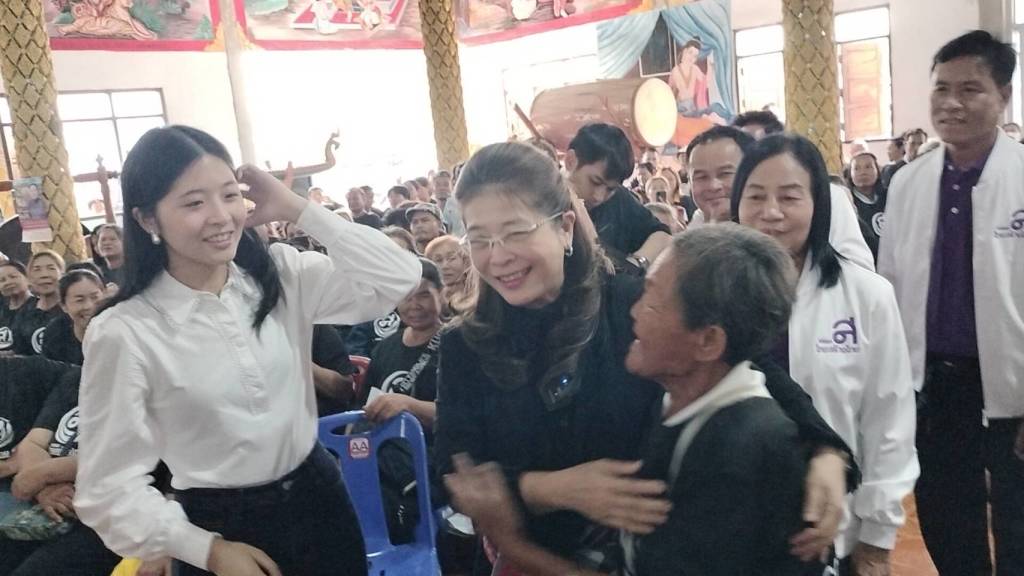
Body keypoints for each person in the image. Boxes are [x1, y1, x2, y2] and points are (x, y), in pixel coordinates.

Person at [435, 141, 856, 574]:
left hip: (655, 550)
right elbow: (453, 473)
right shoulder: (464, 344)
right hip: (532, 557)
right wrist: (549, 488)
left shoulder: (630, 303)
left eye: (516, 232)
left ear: (564, 227)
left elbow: (749, 363)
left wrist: (826, 449)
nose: (497, 256)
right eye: (479, 239)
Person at [73, 125, 420, 576]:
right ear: (147, 220)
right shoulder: (126, 331)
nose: (221, 216)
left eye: (230, 195)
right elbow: (106, 487)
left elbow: (399, 277)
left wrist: (298, 207)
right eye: (194, 203)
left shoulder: (278, 275)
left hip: (320, 497)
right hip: (220, 526)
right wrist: (207, 551)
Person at [734, 134, 919, 576]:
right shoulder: (711, 294)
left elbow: (888, 420)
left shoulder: (866, 296)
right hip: (734, 531)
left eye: (789, 197)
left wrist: (877, 537)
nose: (771, 212)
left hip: (833, 529)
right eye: (755, 196)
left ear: (819, 204)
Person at [878, 30, 1024, 576]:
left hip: (1013, 387)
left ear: (1003, 96)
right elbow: (891, 289)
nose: (951, 103)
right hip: (936, 387)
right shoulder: (909, 183)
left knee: (1018, 523)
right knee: (945, 517)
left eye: (970, 89)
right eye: (941, 88)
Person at [686, 126, 875, 271]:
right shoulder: (695, 233)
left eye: (725, 173)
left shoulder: (827, 199)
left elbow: (859, 276)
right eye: (700, 177)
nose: (713, 186)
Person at [1, 363, 122, 576]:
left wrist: (47, 474)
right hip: (47, 505)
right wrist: (44, 488)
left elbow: (134, 459)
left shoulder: (153, 386)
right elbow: (34, 443)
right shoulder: (77, 378)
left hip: (108, 513)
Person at [566, 123, 671, 273]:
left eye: (610, 189)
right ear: (570, 161)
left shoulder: (619, 198)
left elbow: (662, 234)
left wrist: (636, 263)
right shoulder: (544, 201)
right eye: (595, 182)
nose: (599, 197)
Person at [362, 258, 443, 432]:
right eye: (405, 296)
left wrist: (411, 405)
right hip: (386, 443)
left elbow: (464, 413)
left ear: (442, 294)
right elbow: (364, 408)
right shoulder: (384, 348)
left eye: (424, 295)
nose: (414, 305)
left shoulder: (459, 345)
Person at [41, 268, 105, 366]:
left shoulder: (119, 330)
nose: (89, 306)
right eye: (79, 300)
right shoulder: (56, 333)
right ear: (64, 306)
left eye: (95, 297)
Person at [12, 251, 66, 356]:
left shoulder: (71, 310)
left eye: (51, 268)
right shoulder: (24, 312)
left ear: (62, 274)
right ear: (29, 278)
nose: (44, 275)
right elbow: (19, 352)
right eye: (37, 269)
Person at [846, 151, 887, 262]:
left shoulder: (889, 196)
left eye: (868, 167)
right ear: (850, 174)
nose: (863, 172)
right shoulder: (847, 201)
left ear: (877, 170)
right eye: (857, 168)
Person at [424, 235, 476, 317]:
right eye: (438, 260)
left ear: (466, 261)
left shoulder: (479, 293)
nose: (445, 266)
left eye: (451, 258)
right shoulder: (429, 298)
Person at [0, 262, 32, 356]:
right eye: (2, 280)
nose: (8, 282)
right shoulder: (2, 311)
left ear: (28, 278)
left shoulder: (40, 308)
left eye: (13, 277)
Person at [433, 171, 465, 238]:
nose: (442, 188)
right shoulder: (432, 209)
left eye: (446, 185)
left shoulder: (459, 207)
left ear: (452, 186)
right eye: (437, 185)